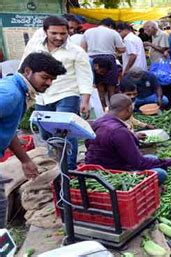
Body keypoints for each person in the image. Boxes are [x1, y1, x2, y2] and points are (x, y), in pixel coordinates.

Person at [0, 52, 66, 227]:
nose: (49, 83)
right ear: (28, 71)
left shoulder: (17, 90)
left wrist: (25, 160)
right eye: (45, 77)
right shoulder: (10, 94)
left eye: (52, 79)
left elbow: (7, 128)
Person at [22, 16, 94, 170]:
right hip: (41, 97)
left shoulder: (76, 51)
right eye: (54, 33)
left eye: (63, 34)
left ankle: (69, 170)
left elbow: (85, 76)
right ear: (45, 32)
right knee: (47, 135)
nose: (59, 37)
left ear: (69, 32)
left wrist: (85, 101)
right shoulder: (34, 46)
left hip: (67, 95)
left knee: (64, 132)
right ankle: (56, 168)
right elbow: (24, 67)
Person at [85, 94, 171, 185]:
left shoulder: (98, 122)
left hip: (96, 168)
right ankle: (149, 188)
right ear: (129, 109)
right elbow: (139, 163)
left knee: (152, 157)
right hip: (113, 173)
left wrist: (132, 136)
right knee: (161, 173)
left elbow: (91, 144)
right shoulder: (120, 131)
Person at [82, 18, 125, 108]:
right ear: (110, 26)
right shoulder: (113, 32)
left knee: (99, 88)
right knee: (111, 88)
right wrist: (114, 49)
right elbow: (122, 49)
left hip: (93, 60)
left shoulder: (88, 32)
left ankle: (102, 110)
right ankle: (113, 110)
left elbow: (82, 49)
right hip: (108, 59)